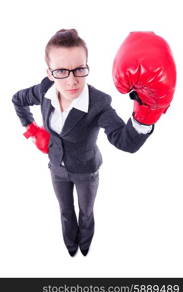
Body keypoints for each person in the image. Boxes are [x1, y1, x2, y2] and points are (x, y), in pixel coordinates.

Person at [12, 29, 176, 257]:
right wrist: (31, 129)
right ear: (49, 73)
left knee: (86, 212)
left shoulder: (98, 103)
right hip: (56, 169)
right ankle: (71, 247)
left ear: (87, 66)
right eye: (61, 71)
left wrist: (147, 111)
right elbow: (17, 100)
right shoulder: (44, 90)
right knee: (65, 212)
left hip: (86, 172)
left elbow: (125, 141)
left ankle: (85, 246)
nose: (72, 80)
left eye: (79, 69)